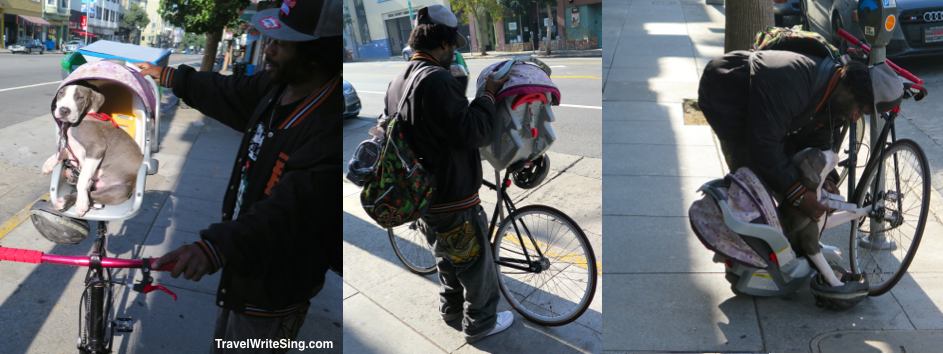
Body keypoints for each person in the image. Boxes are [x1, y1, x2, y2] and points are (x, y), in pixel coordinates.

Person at [138, 0, 342, 351]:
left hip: (275, 288)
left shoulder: (326, 127)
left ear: (315, 54)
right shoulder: (276, 88)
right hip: (244, 263)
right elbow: (225, 92)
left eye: (282, 43)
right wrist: (170, 77)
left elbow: (288, 211)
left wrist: (214, 247)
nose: (270, 48)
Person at [697, 49, 903, 295]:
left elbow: (820, 143)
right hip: (725, 93)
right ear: (848, 89)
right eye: (861, 108)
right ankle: (744, 256)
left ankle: (782, 245)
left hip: (769, 114)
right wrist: (798, 194)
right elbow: (765, 145)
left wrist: (826, 180)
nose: (857, 116)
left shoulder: (835, 99)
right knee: (751, 178)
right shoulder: (792, 81)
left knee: (783, 175)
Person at [386, 4, 511, 343]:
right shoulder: (437, 80)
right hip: (453, 197)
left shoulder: (398, 81)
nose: (454, 50)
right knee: (474, 265)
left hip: (422, 195)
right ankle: (480, 323)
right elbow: (473, 132)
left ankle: (451, 311)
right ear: (442, 43)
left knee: (446, 257)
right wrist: (487, 95)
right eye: (452, 45)